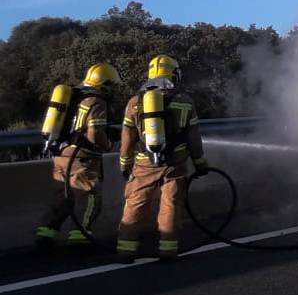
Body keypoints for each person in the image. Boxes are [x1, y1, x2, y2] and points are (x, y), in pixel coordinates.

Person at [116, 55, 208, 262]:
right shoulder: (185, 102)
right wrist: (200, 163)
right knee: (171, 204)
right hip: (175, 164)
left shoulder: (135, 102)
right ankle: (168, 249)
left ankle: (125, 250)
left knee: (136, 202)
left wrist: (125, 163)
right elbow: (194, 138)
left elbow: (127, 138)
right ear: (173, 74)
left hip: (144, 164)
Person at [34, 63, 123, 248]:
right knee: (89, 197)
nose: (113, 90)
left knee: (63, 197)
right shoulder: (96, 101)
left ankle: (45, 233)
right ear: (105, 84)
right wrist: (107, 144)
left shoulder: (73, 95)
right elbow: (95, 132)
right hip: (82, 158)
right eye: (112, 85)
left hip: (61, 154)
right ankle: (80, 237)